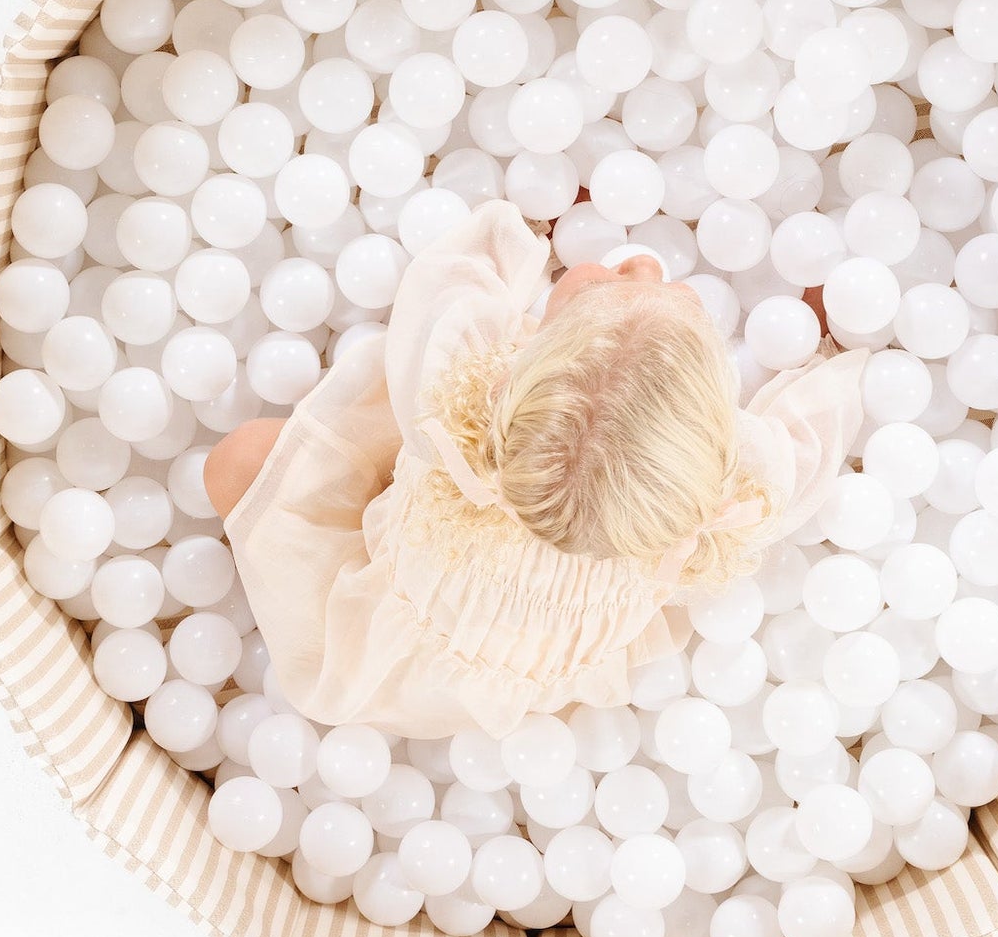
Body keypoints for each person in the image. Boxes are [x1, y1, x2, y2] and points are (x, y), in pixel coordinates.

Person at [207, 199, 865, 738]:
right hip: (531, 685)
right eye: (616, 283)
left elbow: (444, 289)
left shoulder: (458, 393)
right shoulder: (732, 483)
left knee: (241, 461)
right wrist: (824, 340)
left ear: (511, 380)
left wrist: (527, 225)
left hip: (371, 651)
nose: (641, 264)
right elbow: (802, 456)